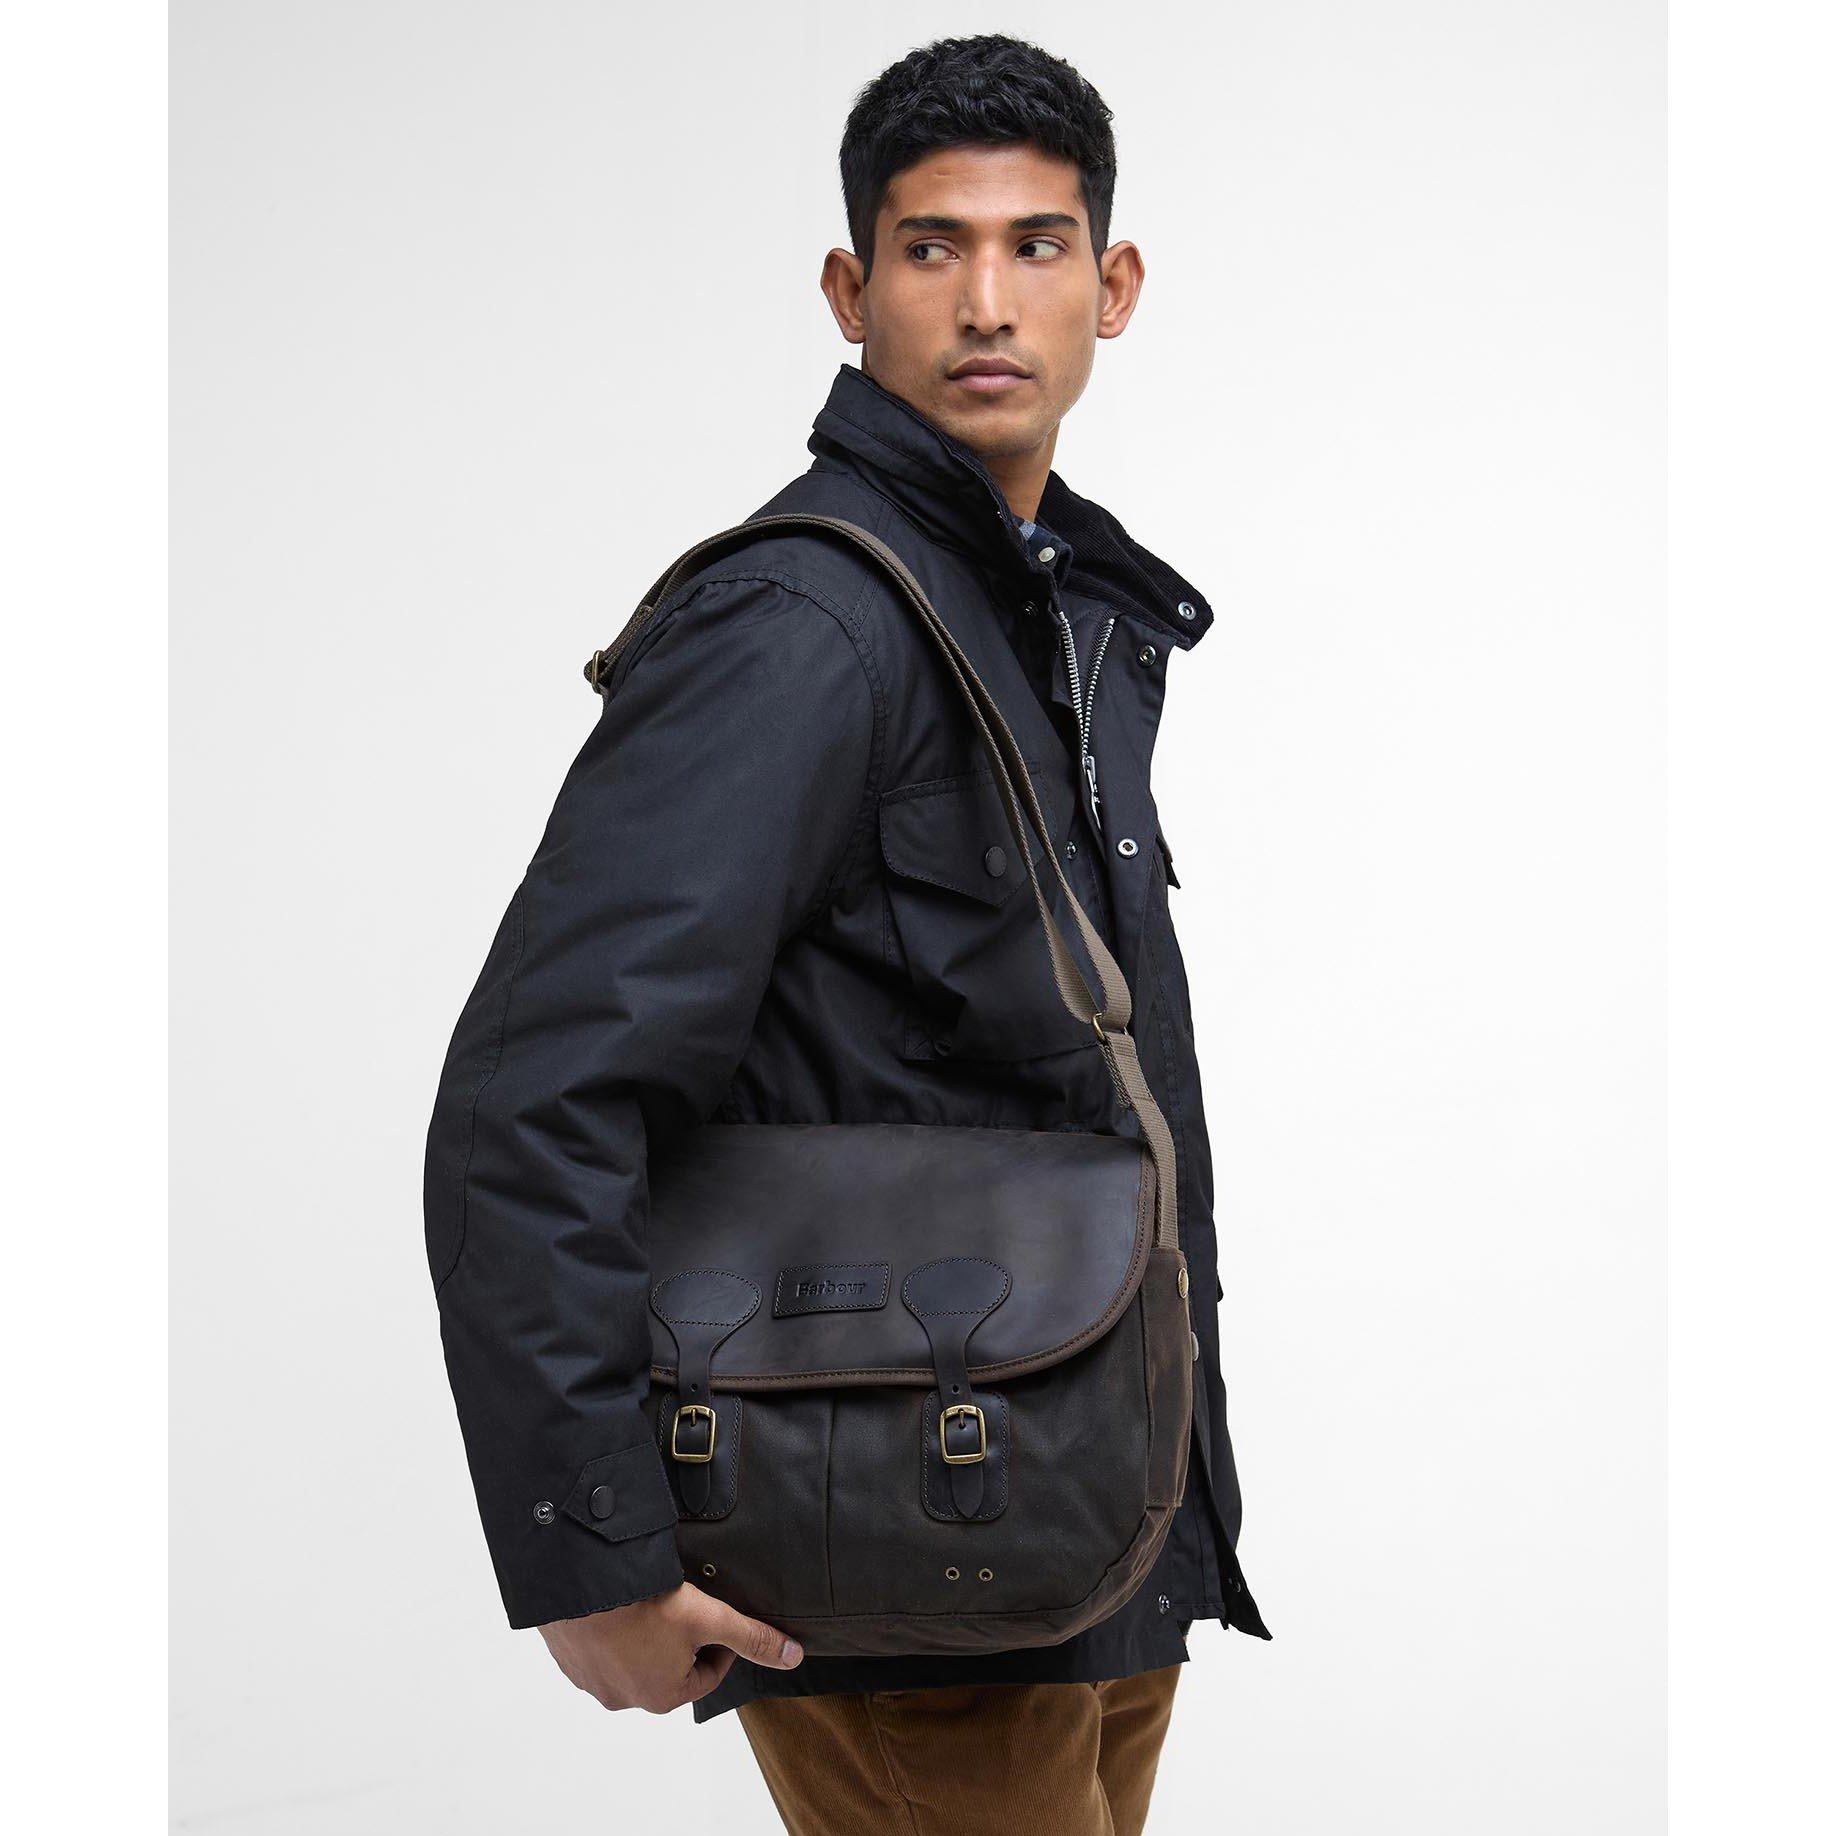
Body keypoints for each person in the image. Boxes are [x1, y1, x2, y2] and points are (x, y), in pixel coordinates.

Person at [424, 32, 1267, 1834]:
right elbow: (537, 1093)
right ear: (849, 289)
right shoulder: (808, 624)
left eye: (1038, 245)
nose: (987, 301)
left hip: (1080, 1541)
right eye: (929, 246)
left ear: (1114, 287)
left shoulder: (1046, 614)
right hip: (900, 1567)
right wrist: (590, 1549)